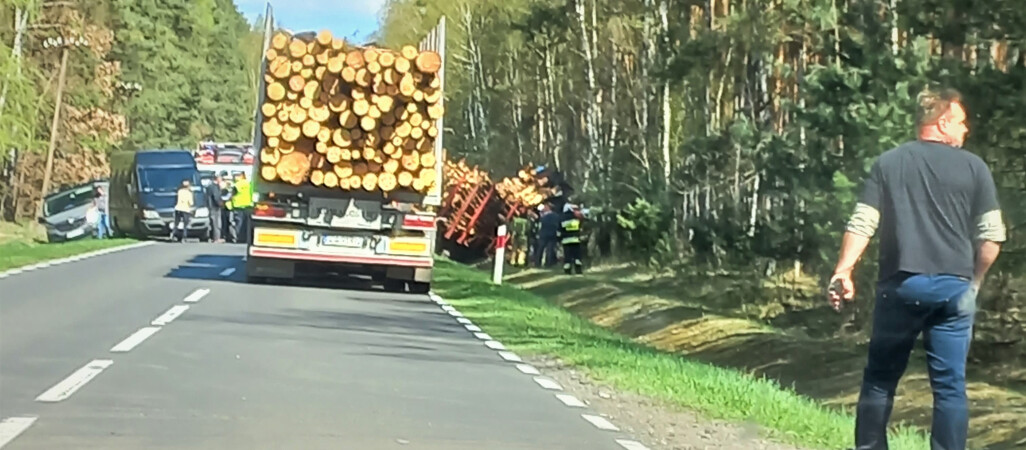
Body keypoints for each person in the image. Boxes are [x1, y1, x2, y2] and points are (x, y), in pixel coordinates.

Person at [827, 86, 1006, 450]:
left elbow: (863, 221)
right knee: (950, 386)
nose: (965, 130)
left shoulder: (890, 163)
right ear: (942, 123)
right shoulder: (975, 168)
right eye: (961, 122)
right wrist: (973, 282)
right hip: (954, 289)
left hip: (902, 285)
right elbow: (992, 237)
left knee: (879, 379)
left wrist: (843, 270)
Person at [558, 202, 585, 275]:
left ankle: (567, 271)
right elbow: (579, 228)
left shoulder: (561, 218)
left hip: (566, 240)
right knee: (577, 256)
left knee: (567, 256)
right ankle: (578, 270)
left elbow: (559, 230)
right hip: (575, 240)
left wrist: (559, 239)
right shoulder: (576, 217)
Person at [534, 202, 560, 268]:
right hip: (553, 234)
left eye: (545, 207)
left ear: (548, 208)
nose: (544, 208)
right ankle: (549, 263)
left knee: (540, 249)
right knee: (550, 249)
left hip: (544, 234)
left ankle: (538, 263)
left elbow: (541, 225)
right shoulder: (556, 216)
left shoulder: (544, 217)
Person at [230, 172, 253, 243]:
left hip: (238, 206)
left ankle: (240, 238)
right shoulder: (249, 184)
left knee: (239, 223)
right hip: (248, 206)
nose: (235, 177)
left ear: (242, 176)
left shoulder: (238, 184)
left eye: (237, 176)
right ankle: (246, 238)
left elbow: (233, 194)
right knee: (246, 224)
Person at [205, 174, 226, 242]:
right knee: (216, 223)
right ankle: (216, 238)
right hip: (215, 207)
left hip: (211, 207)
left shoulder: (209, 186)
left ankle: (212, 237)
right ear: (217, 179)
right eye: (220, 178)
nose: (221, 180)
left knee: (213, 223)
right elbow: (216, 197)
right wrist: (221, 204)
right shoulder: (214, 187)